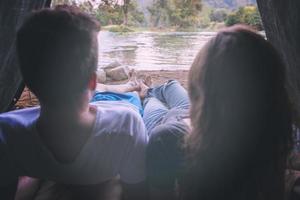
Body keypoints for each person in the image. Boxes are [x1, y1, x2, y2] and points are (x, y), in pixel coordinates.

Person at [0, 5, 148, 200]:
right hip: (122, 105)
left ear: (27, 83)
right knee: (137, 99)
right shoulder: (127, 125)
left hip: (88, 103)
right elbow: (135, 191)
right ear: (93, 81)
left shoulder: (7, 133)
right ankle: (144, 92)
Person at [146, 25, 294, 200]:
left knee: (152, 100)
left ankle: (145, 91)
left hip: (172, 120)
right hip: (202, 113)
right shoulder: (275, 135)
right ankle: (149, 89)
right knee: (170, 86)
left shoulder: (166, 138)